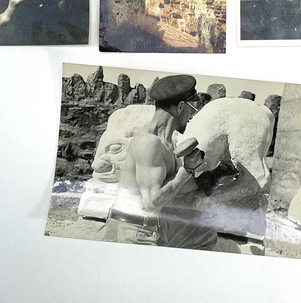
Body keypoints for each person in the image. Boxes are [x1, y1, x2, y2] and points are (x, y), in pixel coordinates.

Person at [101, 74, 239, 250]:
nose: (192, 115)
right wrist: (187, 170)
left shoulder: (167, 142)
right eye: (192, 108)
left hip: (151, 226)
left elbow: (173, 187)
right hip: (133, 231)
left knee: (205, 236)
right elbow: (152, 202)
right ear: (181, 106)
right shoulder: (149, 143)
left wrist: (214, 177)